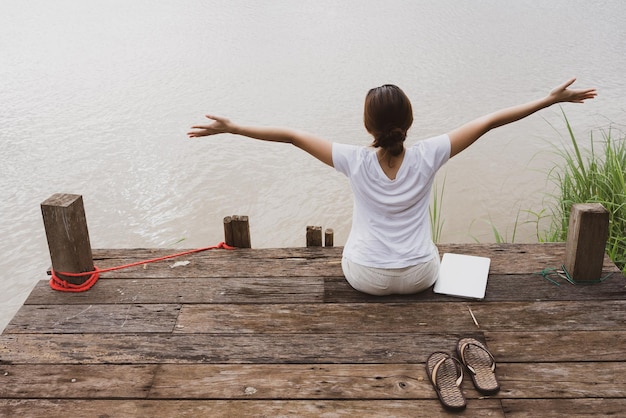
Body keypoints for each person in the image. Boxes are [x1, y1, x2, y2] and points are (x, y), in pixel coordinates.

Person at [187, 78, 597, 296]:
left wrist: (234, 127)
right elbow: (489, 121)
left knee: (355, 251)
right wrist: (550, 100)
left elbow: (293, 135)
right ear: (409, 120)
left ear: (368, 125)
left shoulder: (353, 159)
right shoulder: (431, 153)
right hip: (421, 275)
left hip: (365, 277)